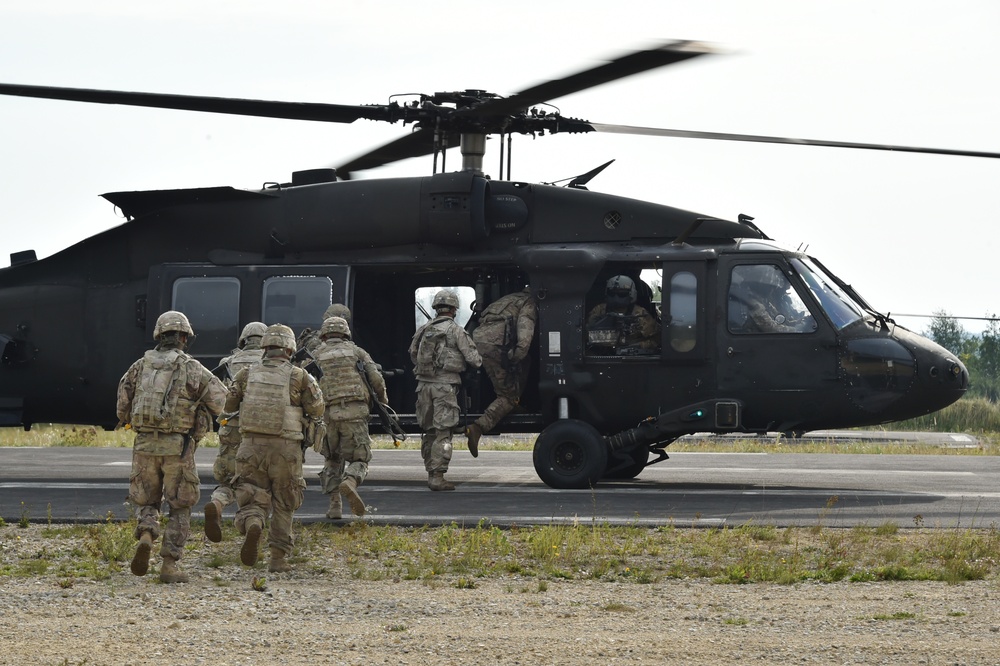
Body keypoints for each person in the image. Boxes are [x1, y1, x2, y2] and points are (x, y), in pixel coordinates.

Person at [116, 310, 227, 583]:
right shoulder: (191, 367)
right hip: (178, 447)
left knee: (146, 499)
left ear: (159, 336)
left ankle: (146, 534)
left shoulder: (139, 366)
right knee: (180, 506)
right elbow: (221, 402)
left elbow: (122, 406)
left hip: (144, 444)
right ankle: (169, 564)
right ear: (183, 337)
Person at [225, 323, 325, 573]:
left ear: (265, 347)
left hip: (250, 446)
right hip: (285, 448)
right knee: (284, 501)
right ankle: (277, 559)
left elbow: (228, 405)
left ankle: (253, 523)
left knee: (251, 493)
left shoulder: (246, 373)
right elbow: (316, 408)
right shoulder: (299, 375)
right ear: (290, 349)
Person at [313, 315, 388, 518]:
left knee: (332, 459)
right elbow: (376, 379)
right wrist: (383, 402)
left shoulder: (315, 355)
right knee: (360, 458)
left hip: (327, 415)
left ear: (324, 334)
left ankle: (334, 506)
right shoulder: (357, 352)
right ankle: (351, 481)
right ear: (346, 333)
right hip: (354, 413)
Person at [408, 289, 482, 491]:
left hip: (423, 386)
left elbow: (413, 355)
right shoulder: (455, 330)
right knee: (443, 432)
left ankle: (431, 472)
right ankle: (438, 477)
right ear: (454, 309)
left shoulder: (423, 330)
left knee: (429, 431)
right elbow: (475, 360)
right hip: (444, 387)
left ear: (436, 308)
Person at [203, 321, 266, 543]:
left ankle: (218, 503)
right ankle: (252, 522)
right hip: (258, 430)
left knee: (229, 478)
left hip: (230, 427)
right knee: (257, 482)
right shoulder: (269, 364)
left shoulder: (227, 363)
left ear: (243, 341)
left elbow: (217, 397)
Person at [466, 287, 537, 456]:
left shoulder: (509, 297)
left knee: (526, 363)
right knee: (507, 396)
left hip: (480, 340)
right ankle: (478, 427)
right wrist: (517, 354)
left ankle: (514, 403)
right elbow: (525, 330)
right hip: (497, 345)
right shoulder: (529, 303)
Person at [585, 275, 660, 353]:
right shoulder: (599, 310)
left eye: (622, 294)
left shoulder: (639, 313)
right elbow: (586, 333)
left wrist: (638, 346)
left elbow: (657, 338)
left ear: (631, 294)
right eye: (612, 293)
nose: (616, 297)